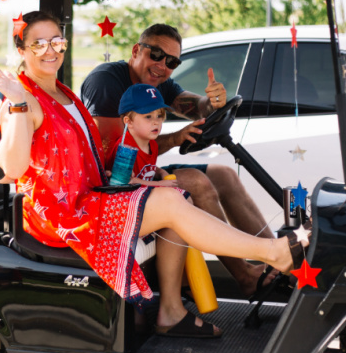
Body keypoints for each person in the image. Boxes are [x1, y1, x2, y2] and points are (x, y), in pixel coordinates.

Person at [0, 11, 308, 338]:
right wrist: (17, 103)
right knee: (172, 198)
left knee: (175, 195)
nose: (50, 50)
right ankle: (272, 254)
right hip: (64, 216)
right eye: (38, 44)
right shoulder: (25, 99)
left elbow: (97, 153)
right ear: (21, 50)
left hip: (92, 196)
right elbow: (10, 168)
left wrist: (210, 105)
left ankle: (171, 310)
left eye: (56, 41)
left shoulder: (62, 93)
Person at [80, 24, 275, 297]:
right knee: (197, 182)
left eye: (172, 61)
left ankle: (277, 265)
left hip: (143, 173)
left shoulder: (157, 83)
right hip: (113, 186)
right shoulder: (107, 82)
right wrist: (173, 139)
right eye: (156, 55)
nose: (162, 65)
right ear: (137, 50)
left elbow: (192, 106)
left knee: (224, 175)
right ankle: (244, 276)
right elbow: (115, 154)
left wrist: (213, 103)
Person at [104, 83, 176, 186]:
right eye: (148, 116)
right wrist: (160, 184)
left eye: (159, 116)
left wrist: (161, 172)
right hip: (126, 199)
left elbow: (148, 168)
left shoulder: (152, 144)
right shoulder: (125, 148)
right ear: (129, 122)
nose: (156, 122)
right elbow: (129, 181)